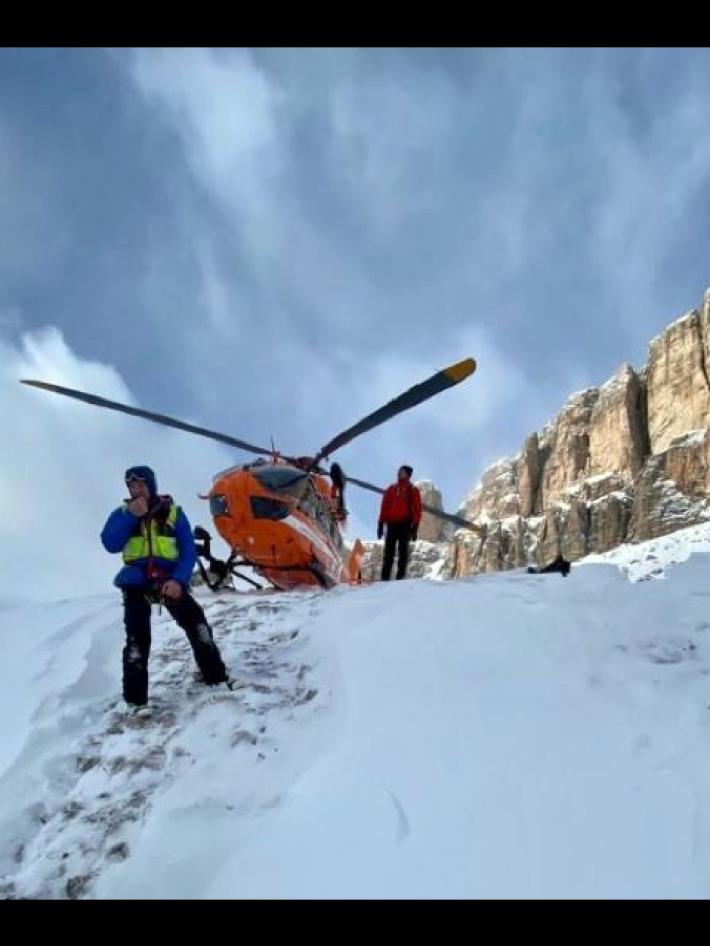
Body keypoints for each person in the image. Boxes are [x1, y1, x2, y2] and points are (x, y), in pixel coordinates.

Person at [100, 465, 236, 717]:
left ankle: (215, 677)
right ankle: (135, 701)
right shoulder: (122, 513)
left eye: (140, 485)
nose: (135, 490)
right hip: (135, 581)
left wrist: (179, 580)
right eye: (131, 486)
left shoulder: (173, 513)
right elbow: (110, 543)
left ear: (151, 485)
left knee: (198, 626)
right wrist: (130, 515)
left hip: (168, 580)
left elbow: (188, 551)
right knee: (137, 641)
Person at [377, 465, 422, 581]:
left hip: (405, 524)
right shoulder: (391, 489)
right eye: (399, 471)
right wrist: (380, 525)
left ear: (407, 474)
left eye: (401, 472)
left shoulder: (413, 490)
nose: (398, 473)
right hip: (391, 524)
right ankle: (384, 579)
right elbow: (384, 507)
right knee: (388, 554)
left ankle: (400, 579)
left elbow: (417, 509)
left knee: (403, 553)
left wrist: (415, 527)